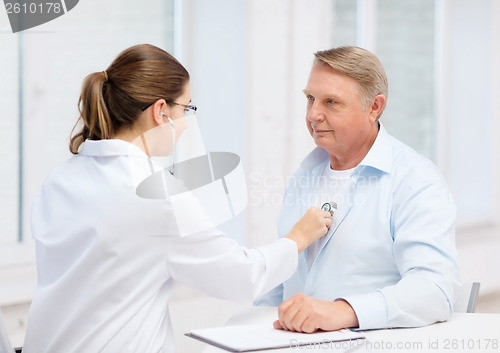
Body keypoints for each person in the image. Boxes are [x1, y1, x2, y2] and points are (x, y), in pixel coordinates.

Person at [22, 44, 333, 353]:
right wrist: (298, 236)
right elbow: (241, 276)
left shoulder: (60, 178)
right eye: (186, 109)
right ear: (161, 111)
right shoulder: (155, 195)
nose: (186, 123)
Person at [255, 46, 460, 333]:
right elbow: (283, 283)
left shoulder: (416, 181)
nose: (314, 114)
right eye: (310, 99)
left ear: (374, 107)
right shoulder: (306, 173)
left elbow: (435, 290)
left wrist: (344, 311)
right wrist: (254, 328)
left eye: (331, 102)